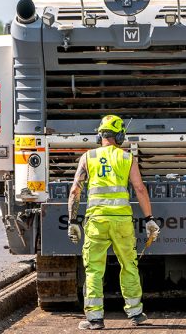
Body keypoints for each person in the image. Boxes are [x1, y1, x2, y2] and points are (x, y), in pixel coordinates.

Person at [67, 115, 160, 330]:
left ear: (100, 135)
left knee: (93, 270)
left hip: (96, 222)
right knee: (129, 265)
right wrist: (149, 219)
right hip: (122, 223)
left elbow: (75, 190)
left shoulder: (87, 157)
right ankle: (136, 313)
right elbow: (139, 189)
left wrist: (72, 221)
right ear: (119, 136)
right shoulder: (127, 158)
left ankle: (95, 319)